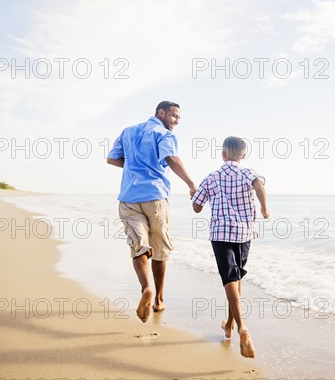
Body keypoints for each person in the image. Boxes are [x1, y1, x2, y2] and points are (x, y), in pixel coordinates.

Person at [107, 100, 197, 323]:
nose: (176, 121)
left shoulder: (127, 132)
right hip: (155, 197)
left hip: (128, 197)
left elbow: (111, 158)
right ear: (161, 112)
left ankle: (145, 288)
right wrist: (191, 184)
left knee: (139, 245)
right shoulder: (164, 135)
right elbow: (171, 158)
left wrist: (132, 166)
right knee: (160, 248)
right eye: (174, 116)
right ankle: (158, 299)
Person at [192, 136, 269, 358]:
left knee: (228, 279)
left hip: (221, 233)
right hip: (244, 234)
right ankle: (229, 326)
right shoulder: (248, 173)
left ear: (223, 154)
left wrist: (196, 197)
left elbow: (197, 207)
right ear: (243, 155)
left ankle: (242, 327)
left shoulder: (212, 177)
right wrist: (264, 208)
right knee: (236, 279)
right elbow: (259, 185)